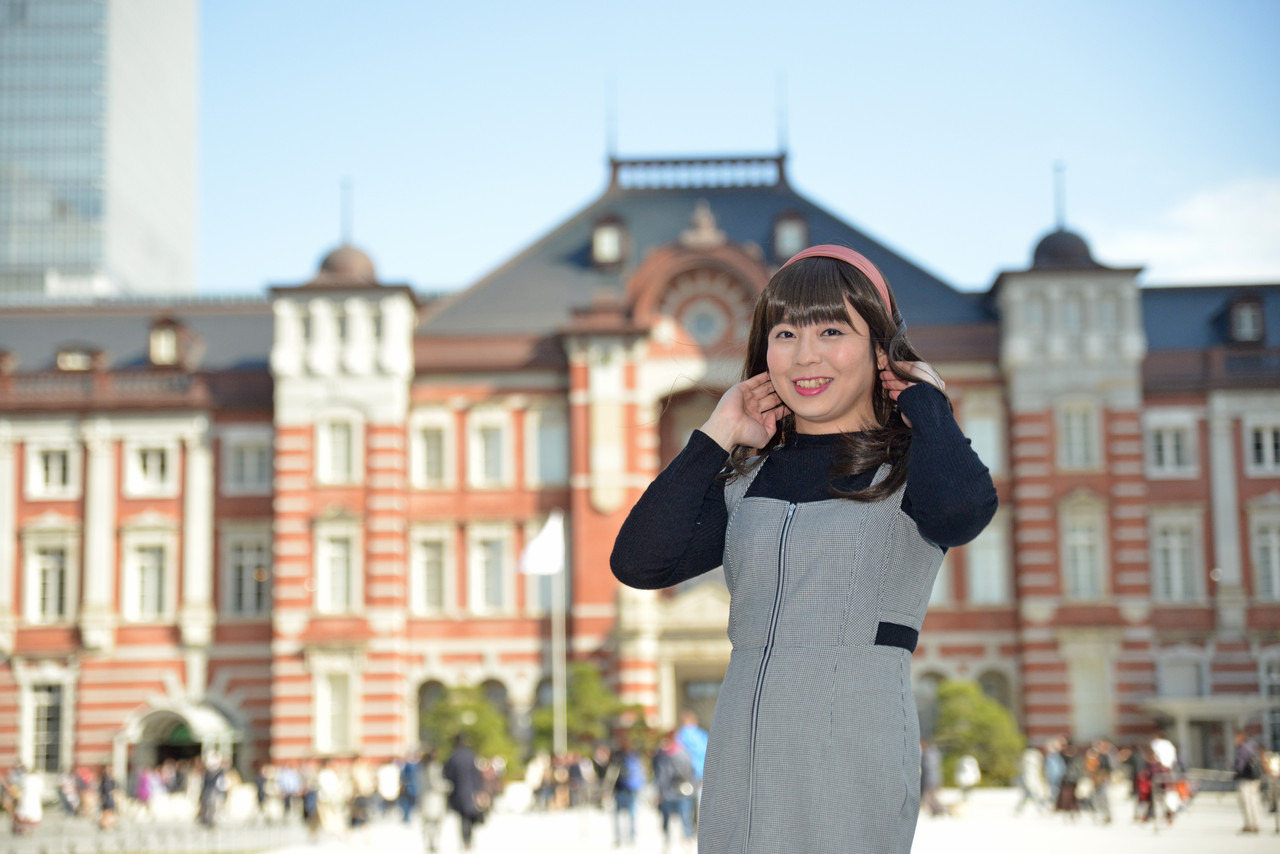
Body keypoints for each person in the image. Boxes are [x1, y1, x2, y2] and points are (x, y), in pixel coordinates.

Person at [612, 245, 998, 854]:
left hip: (851, 755)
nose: (805, 354)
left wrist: (924, 403)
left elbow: (962, 513)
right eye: (785, 333)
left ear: (880, 350)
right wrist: (717, 434)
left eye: (832, 331)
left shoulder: (912, 469)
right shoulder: (748, 479)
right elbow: (639, 562)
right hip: (740, 758)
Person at [653, 733, 697, 851]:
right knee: (667, 819)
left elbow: (689, 773)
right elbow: (660, 777)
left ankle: (687, 840)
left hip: (682, 792)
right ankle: (667, 841)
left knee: (685, 817)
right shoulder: (661, 757)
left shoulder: (682, 754)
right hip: (668, 793)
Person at [443, 734, 487, 851]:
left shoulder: (452, 756)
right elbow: (477, 775)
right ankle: (469, 839)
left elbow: (447, 775)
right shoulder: (471, 755)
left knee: (463, 818)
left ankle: (466, 840)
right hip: (471, 791)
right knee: (469, 815)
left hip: (458, 792)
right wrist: (479, 789)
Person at [1232, 730, 1264, 833]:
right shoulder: (1252, 746)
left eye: (1236, 737)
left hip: (1246, 779)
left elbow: (1240, 765)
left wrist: (1235, 772)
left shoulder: (1242, 748)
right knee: (1254, 801)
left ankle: (1250, 824)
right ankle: (1256, 823)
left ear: (1240, 737)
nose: (1234, 740)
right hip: (1255, 778)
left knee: (1246, 802)